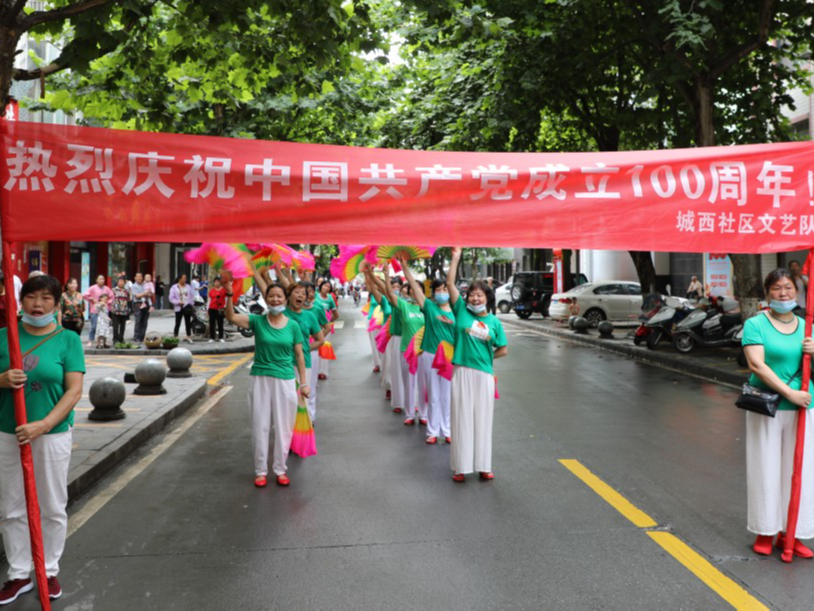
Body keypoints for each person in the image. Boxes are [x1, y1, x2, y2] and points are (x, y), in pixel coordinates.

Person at [0, 274, 84, 604]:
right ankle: (19, 573)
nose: (38, 305)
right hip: (9, 432)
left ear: (57, 302)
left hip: (51, 435)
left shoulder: (68, 340)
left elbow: (74, 391)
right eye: (32, 298)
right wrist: (2, 379)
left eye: (46, 299)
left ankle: (47, 570)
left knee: (51, 505)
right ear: (20, 301)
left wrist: (44, 424)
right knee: (12, 506)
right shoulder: (5, 337)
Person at [742, 268, 814, 559]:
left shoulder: (807, 326)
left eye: (788, 288)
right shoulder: (755, 324)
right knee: (766, 468)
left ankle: (793, 531)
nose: (783, 293)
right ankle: (765, 530)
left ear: (797, 292)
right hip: (768, 407)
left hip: (803, 409)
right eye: (776, 288)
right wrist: (789, 394)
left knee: (801, 474)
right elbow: (757, 365)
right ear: (767, 293)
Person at [224, 281, 309, 488]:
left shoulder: (293, 325)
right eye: (271, 296)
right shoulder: (257, 321)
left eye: (279, 296)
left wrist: (304, 383)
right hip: (260, 377)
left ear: (285, 299)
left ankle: (280, 469)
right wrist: (228, 295)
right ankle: (261, 471)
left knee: (284, 427)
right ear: (266, 299)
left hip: (286, 380)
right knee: (259, 424)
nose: (275, 299)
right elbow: (232, 317)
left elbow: (299, 355)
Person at [446, 248, 508, 482]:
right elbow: (450, 283)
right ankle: (461, 466)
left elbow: (502, 349)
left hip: (484, 375)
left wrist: (488, 358)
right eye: (472, 294)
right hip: (461, 371)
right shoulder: (461, 310)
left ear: (487, 298)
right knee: (461, 417)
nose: (475, 298)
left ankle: (484, 465)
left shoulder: (494, 322)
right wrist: (455, 257)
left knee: (483, 419)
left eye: (480, 295)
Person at [402, 263, 455, 444]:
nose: (442, 292)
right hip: (430, 355)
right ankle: (432, 431)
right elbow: (415, 288)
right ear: (433, 292)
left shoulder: (457, 310)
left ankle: (447, 430)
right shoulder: (429, 307)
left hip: (449, 357)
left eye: (444, 289)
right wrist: (405, 267)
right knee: (433, 395)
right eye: (438, 289)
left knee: (447, 396)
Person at [382, 264, 425, 426]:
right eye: (413, 289)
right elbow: (389, 295)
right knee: (409, 382)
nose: (415, 292)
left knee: (423, 384)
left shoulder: (427, 307)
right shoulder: (404, 306)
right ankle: (409, 413)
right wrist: (386, 276)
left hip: (423, 351)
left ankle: (423, 413)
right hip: (406, 350)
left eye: (418, 289)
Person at [82, 275, 113, 348]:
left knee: (105, 326)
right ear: (96, 280)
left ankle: (104, 342)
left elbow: (112, 297)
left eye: (103, 279)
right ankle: (90, 340)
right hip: (95, 310)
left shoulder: (107, 289)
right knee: (93, 326)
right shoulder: (93, 288)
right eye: (100, 279)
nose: (102, 280)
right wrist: (91, 299)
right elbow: (84, 295)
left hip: (104, 311)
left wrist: (107, 303)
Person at [315, 281, 338, 380]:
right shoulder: (315, 295)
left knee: (324, 346)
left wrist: (328, 322)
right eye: (325, 285)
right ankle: (315, 370)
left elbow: (336, 314)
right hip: (314, 327)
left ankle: (323, 371)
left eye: (329, 287)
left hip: (325, 328)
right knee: (315, 348)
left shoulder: (330, 299)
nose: (326, 288)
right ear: (320, 287)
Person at [169, 274, 195, 344]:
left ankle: (188, 336)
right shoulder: (174, 287)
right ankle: (175, 336)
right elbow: (171, 298)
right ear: (179, 279)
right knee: (178, 322)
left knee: (188, 322)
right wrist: (178, 302)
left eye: (185, 278)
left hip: (187, 307)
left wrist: (191, 304)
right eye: (184, 278)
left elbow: (191, 296)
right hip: (178, 308)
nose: (185, 280)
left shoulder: (188, 287)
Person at [130, 272, 151, 344]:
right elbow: (137, 296)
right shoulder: (133, 286)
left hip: (146, 303)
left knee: (145, 321)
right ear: (135, 278)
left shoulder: (145, 285)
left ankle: (142, 337)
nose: (139, 278)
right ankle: (136, 337)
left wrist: (149, 293)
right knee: (138, 321)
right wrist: (145, 293)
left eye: (140, 276)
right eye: (138, 277)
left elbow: (149, 294)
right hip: (138, 304)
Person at [109, 276, 130, 345]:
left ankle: (121, 338)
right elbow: (110, 300)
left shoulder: (126, 291)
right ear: (117, 282)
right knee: (115, 326)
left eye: (122, 281)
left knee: (123, 326)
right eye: (119, 281)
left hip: (124, 311)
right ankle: (115, 339)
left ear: (124, 282)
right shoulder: (113, 290)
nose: (120, 283)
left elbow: (128, 300)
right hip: (115, 310)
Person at [207, 277, 227, 343]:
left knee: (220, 323)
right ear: (213, 283)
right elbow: (209, 300)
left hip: (220, 309)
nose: (216, 283)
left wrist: (225, 307)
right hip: (212, 308)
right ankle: (212, 337)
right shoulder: (211, 291)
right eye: (215, 282)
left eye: (218, 281)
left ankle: (221, 337)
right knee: (212, 324)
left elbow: (226, 299)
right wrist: (207, 309)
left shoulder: (224, 290)